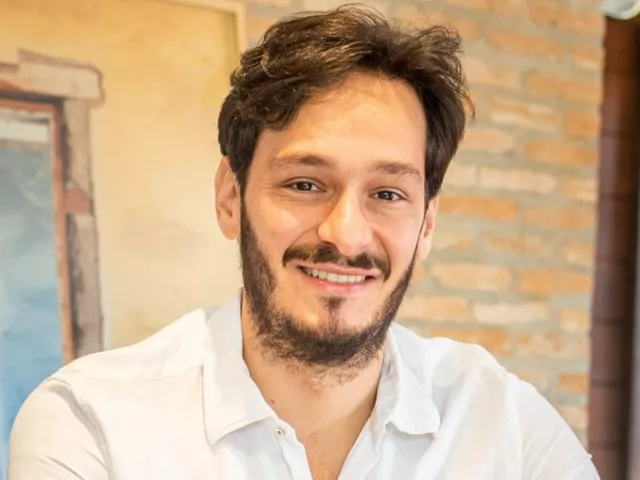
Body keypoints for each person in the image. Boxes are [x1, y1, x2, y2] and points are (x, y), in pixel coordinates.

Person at [7, 5, 598, 480]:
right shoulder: (92, 425)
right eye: (305, 184)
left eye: (388, 193)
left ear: (426, 226)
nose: (346, 234)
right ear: (230, 197)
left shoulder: (505, 424)